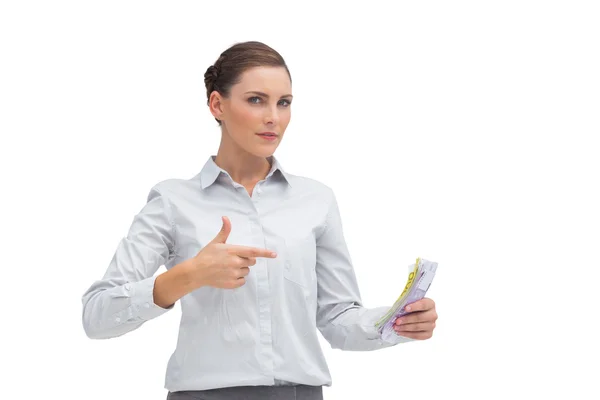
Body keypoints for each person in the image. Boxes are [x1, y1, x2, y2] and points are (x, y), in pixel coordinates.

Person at [81, 41, 438, 400]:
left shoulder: (316, 200)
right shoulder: (173, 201)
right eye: (256, 100)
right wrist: (188, 275)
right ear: (217, 104)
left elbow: (337, 318)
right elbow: (96, 316)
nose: (274, 117)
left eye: (284, 102)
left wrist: (394, 324)